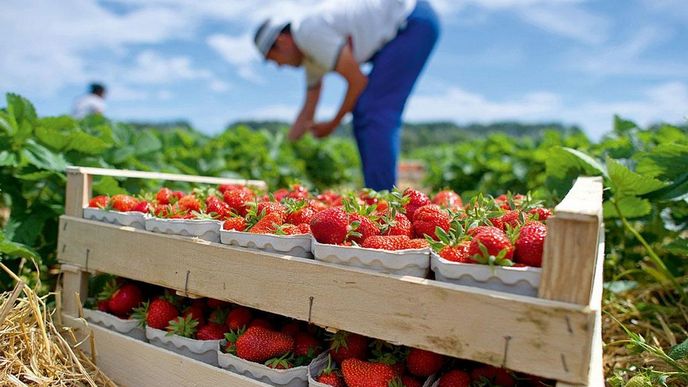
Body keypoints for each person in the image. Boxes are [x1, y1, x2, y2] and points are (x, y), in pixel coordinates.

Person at [254, 0, 439, 191]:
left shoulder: (309, 34)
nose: (278, 66)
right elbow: (307, 113)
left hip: (412, 20)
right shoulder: (311, 59)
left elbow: (357, 81)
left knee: (373, 109)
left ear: (281, 41)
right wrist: (279, 152)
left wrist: (332, 124)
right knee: (365, 109)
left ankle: (383, 199)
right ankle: (377, 194)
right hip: (403, 26)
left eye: (272, 59)